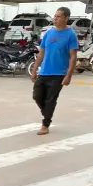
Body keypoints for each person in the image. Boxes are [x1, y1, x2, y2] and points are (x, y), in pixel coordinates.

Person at [30, 7, 78, 136]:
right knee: (37, 96)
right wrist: (34, 70)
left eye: (58, 16)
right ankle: (47, 114)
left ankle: (45, 124)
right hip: (44, 72)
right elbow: (41, 53)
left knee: (51, 99)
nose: (55, 19)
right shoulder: (49, 33)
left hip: (59, 74)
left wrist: (69, 75)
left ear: (66, 18)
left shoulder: (71, 35)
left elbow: (73, 56)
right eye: (54, 16)